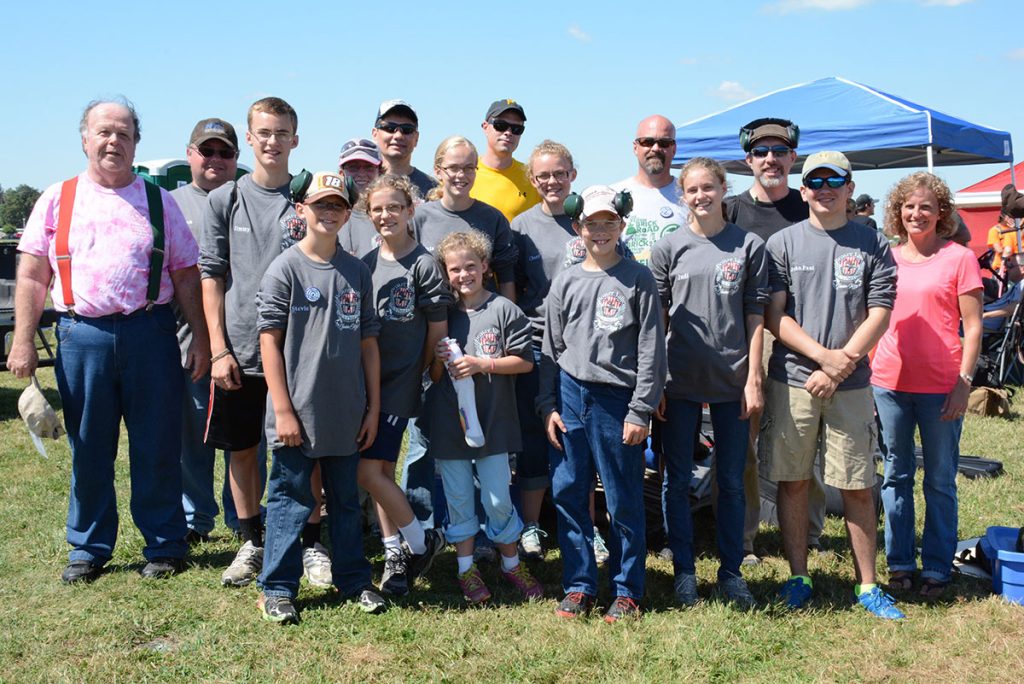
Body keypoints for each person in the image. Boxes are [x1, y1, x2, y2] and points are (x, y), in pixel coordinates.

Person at [8, 98, 209, 582]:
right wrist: (22, 340)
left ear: (136, 142)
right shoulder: (58, 198)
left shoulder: (161, 201)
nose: (113, 141)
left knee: (156, 444)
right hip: (83, 335)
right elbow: (33, 275)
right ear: (85, 140)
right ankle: (89, 547)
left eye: (123, 133)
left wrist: (201, 338)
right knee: (89, 445)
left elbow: (186, 275)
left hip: (150, 332)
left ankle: (164, 544)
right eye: (103, 132)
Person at [761, 151, 904, 619]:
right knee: (794, 481)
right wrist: (823, 358)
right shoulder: (782, 243)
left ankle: (868, 586)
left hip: (852, 384)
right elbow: (774, 316)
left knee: (859, 485)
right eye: (815, 180)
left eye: (834, 180)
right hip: (794, 381)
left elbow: (879, 312)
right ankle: (799, 577)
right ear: (802, 190)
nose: (824, 188)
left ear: (848, 187)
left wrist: (839, 366)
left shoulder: (872, 243)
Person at [200, 97, 329, 589]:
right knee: (243, 449)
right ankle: (252, 539)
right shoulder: (224, 199)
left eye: (281, 133)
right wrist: (218, 348)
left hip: (301, 352)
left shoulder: (310, 195)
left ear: (295, 139)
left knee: (306, 450)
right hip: (238, 349)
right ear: (248, 139)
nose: (272, 141)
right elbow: (211, 277)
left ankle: (312, 542)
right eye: (263, 133)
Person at [255, 171, 385, 624]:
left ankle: (354, 580)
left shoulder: (356, 272)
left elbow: (369, 343)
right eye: (319, 205)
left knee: (345, 502)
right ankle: (277, 587)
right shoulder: (284, 269)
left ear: (348, 213)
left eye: (337, 206)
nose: (327, 213)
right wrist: (284, 409)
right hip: (297, 416)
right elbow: (268, 340)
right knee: (291, 501)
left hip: (346, 414)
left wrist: (372, 407)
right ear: (301, 209)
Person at [540, 185, 667, 623]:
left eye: (608, 222)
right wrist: (548, 404)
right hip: (572, 394)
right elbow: (551, 347)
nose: (600, 230)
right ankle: (579, 584)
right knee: (571, 492)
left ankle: (627, 588)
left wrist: (640, 409)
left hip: (618, 399)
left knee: (623, 497)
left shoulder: (638, 278)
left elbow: (652, 349)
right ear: (579, 227)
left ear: (621, 225)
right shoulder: (567, 279)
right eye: (592, 223)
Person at [649, 157, 769, 609]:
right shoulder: (668, 249)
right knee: (675, 480)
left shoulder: (749, 246)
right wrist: (656, 379)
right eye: (692, 189)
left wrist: (753, 376)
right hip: (679, 381)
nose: (700, 196)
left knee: (733, 479)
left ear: (723, 188)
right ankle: (684, 572)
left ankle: (732, 571)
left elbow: (755, 316)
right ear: (683, 195)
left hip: (733, 380)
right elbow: (656, 321)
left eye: (708, 187)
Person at [400, 136, 520, 533]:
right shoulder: (420, 217)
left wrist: (503, 325)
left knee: (480, 436)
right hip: (431, 342)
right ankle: (420, 528)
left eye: (469, 167)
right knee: (424, 442)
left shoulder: (492, 218)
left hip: (481, 339)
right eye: (453, 167)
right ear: (438, 170)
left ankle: (484, 533)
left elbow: (506, 283)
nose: (462, 174)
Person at [871, 172, 983, 599]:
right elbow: (874, 317)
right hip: (889, 383)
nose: (916, 214)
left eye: (926, 207)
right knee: (895, 475)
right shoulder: (887, 256)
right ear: (898, 212)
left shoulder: (959, 258)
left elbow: (972, 327)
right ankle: (900, 562)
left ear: (942, 213)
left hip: (942, 386)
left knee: (939, 479)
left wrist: (964, 383)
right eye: (909, 206)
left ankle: (937, 565)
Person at [425, 230, 543, 604]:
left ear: (485, 267)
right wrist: (441, 360)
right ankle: (466, 571)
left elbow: (524, 362)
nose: (463, 275)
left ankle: (511, 565)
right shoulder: (440, 315)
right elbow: (433, 374)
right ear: (446, 273)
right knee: (459, 497)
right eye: (455, 269)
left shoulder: (503, 310)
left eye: (470, 267)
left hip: (495, 422)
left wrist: (481, 363)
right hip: (449, 424)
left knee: (496, 499)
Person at [724, 117, 821, 565]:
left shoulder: (810, 207)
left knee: (803, 438)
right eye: (761, 152)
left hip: (804, 341)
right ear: (748, 161)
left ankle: (811, 531)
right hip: (748, 339)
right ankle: (744, 540)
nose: (771, 159)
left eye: (779, 152)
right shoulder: (730, 211)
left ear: (792, 159)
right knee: (743, 444)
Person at [359, 174, 450, 596]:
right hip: (364, 382)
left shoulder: (424, 264)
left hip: (400, 383)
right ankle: (393, 548)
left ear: (410, 210)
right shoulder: (364, 263)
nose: (385, 214)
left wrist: (429, 370)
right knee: (379, 470)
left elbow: (437, 326)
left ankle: (419, 540)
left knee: (369, 470)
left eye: (394, 206)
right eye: (377, 208)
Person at [172, 117, 250, 544]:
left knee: (242, 435)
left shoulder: (247, 197)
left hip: (244, 335)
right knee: (196, 431)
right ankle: (195, 517)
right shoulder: (172, 204)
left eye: (226, 152)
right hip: (188, 335)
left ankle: (242, 515)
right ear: (190, 155)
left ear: (237, 159)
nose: (216, 159)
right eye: (208, 151)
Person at [612, 114, 688, 265]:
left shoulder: (691, 196)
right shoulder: (613, 195)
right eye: (647, 142)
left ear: (674, 149)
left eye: (664, 143)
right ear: (635, 148)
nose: (655, 148)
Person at [470, 99, 540, 222]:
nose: (508, 133)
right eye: (500, 125)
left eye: (517, 129)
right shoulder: (465, 173)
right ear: (485, 127)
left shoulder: (532, 177)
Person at [371, 99, 437, 199]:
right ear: (375, 134)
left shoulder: (433, 189)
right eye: (389, 128)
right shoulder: (362, 182)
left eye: (407, 129)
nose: (398, 136)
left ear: (416, 138)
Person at [337, 138, 384, 258]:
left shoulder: (389, 215)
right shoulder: (330, 214)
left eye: (369, 167)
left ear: (380, 172)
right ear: (341, 174)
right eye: (353, 167)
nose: (361, 173)